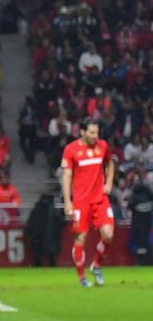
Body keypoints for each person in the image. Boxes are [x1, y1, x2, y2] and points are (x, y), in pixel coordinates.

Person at [61, 119, 116, 287]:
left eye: (97, 132)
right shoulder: (71, 149)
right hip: (81, 201)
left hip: (100, 199)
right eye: (92, 132)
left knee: (108, 235)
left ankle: (96, 265)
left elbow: (110, 163)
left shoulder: (103, 146)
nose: (95, 136)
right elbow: (66, 176)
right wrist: (68, 202)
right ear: (82, 132)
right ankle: (82, 277)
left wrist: (109, 183)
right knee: (80, 239)